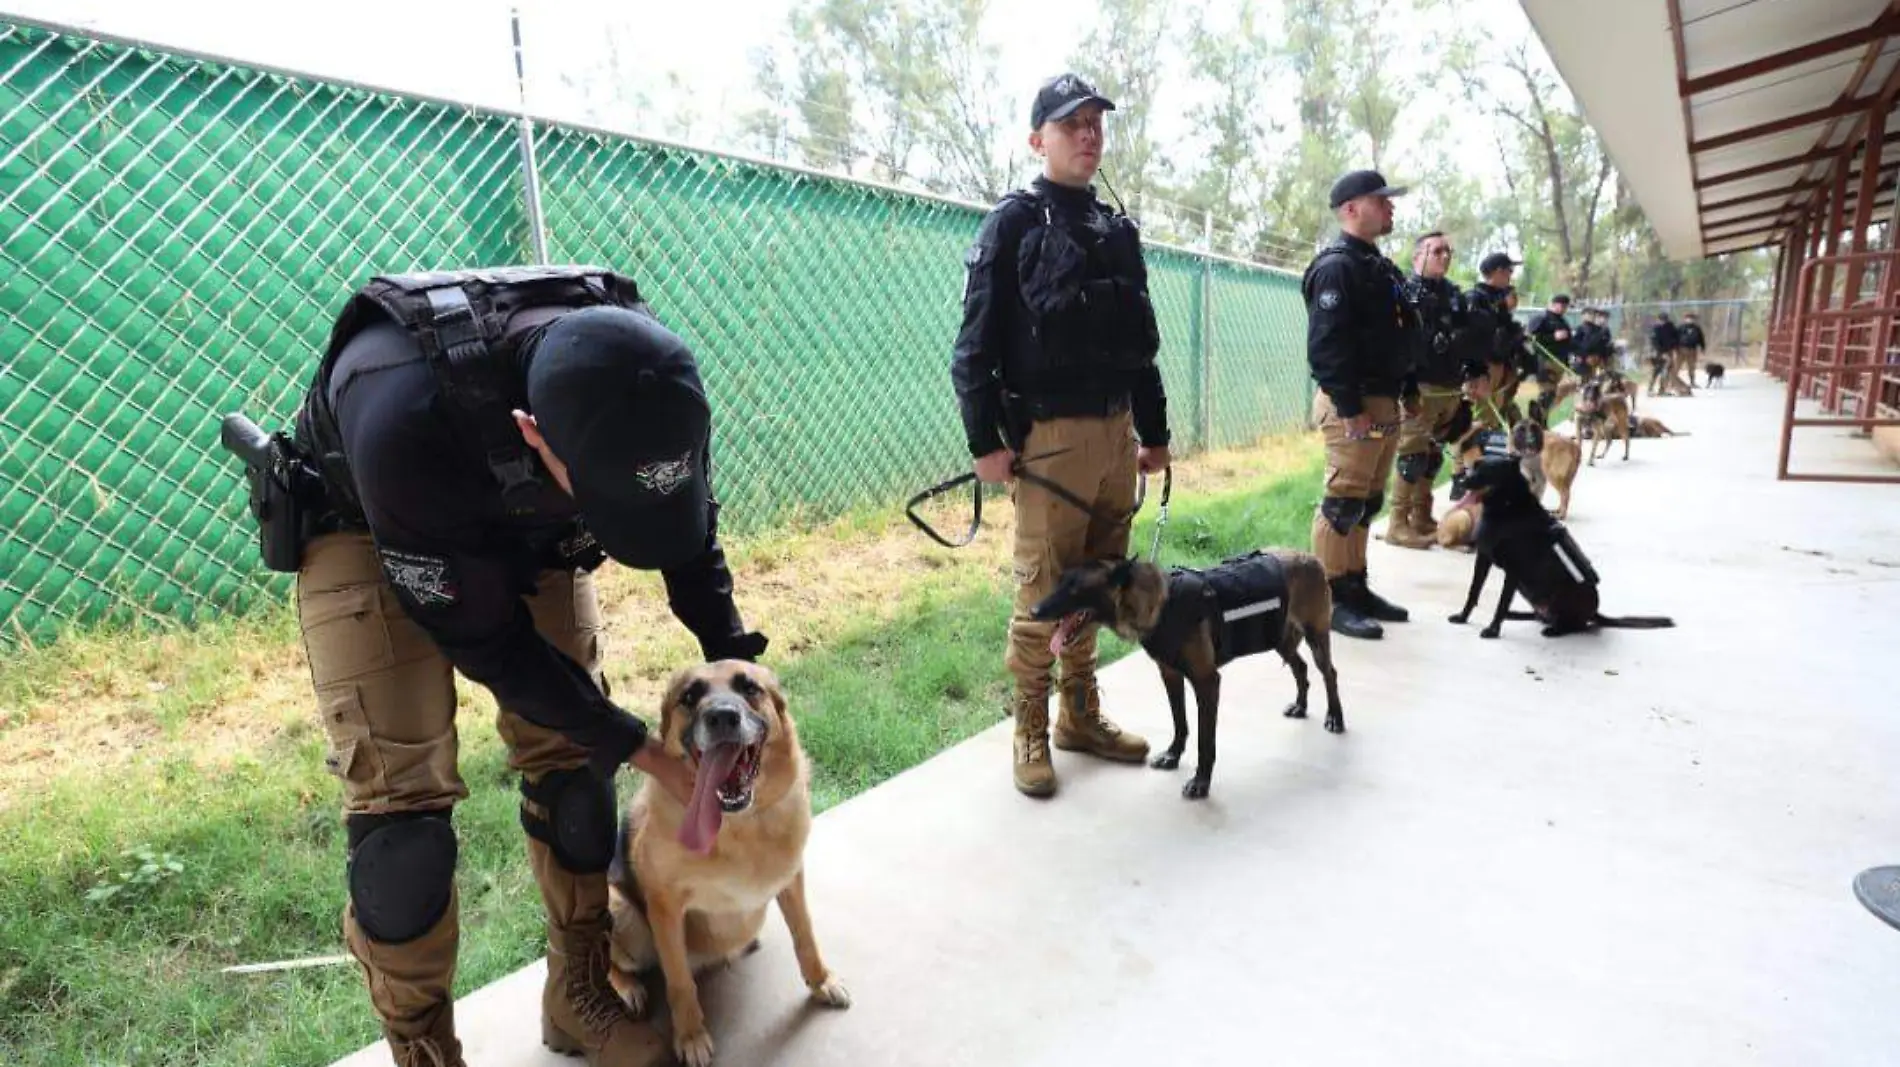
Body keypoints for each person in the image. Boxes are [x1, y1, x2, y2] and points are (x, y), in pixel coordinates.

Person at [285, 266, 769, 1067]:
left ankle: (577, 990)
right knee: (404, 832)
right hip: (372, 524)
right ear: (534, 432)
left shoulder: (650, 377)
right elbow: (493, 644)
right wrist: (645, 747)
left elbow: (684, 529)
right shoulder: (398, 410)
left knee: (576, 771)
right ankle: (424, 1045)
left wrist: (736, 661)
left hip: (531, 513)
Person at [951, 73, 1172, 797]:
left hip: (1115, 434)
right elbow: (973, 345)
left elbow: (1141, 341)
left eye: (1095, 123)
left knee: (1099, 585)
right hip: (1048, 439)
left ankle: (1080, 716)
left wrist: (1155, 430)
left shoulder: (1115, 229)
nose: (1088, 134)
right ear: (1037, 138)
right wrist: (985, 440)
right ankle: (1030, 730)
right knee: (1043, 591)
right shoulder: (1012, 222)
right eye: (1071, 122)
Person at [1300, 169, 1418, 639]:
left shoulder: (1376, 265)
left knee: (1367, 501)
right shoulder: (1337, 266)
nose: (1391, 208)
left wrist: (1407, 389)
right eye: (1381, 200)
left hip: (1383, 399)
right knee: (1342, 502)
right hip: (1355, 402)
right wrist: (1349, 407)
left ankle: (1354, 586)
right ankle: (1327, 598)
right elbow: (1326, 346)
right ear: (1351, 208)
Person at [1386, 230, 1472, 549]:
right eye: (1437, 251)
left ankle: (1421, 516)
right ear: (1418, 255)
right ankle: (1397, 524)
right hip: (1420, 387)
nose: (1445, 257)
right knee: (1412, 454)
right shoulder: (1406, 292)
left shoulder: (1453, 293)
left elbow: (1467, 334)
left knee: (1433, 456)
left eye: (1448, 251)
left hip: (1449, 386)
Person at [1455, 252, 1521, 431]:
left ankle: (1483, 453)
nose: (1511, 275)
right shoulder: (1476, 297)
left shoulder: (1498, 298)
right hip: (1484, 365)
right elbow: (1473, 333)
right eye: (1509, 270)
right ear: (1498, 271)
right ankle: (1468, 456)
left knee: (1492, 416)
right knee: (1480, 415)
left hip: (1501, 363)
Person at [1525, 293, 1574, 418]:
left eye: (1566, 306)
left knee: (1554, 394)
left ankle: (1542, 418)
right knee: (1546, 394)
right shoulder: (1541, 318)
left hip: (1560, 362)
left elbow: (1567, 344)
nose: (1564, 309)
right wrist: (1553, 337)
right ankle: (1538, 420)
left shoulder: (1563, 321)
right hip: (1545, 361)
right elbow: (1531, 337)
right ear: (1553, 304)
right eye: (1561, 305)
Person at [1649, 312, 1680, 396]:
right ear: (1658, 320)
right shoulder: (1656, 328)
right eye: (1662, 320)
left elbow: (1676, 337)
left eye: (1665, 320)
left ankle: (1662, 389)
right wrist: (1661, 352)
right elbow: (1654, 342)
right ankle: (1650, 389)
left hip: (1669, 351)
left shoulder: (1670, 327)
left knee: (1667, 371)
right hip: (1659, 352)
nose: (1663, 322)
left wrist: (1674, 347)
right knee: (1657, 370)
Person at [1678, 312, 1709, 386]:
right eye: (1688, 318)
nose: (1690, 320)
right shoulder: (1681, 327)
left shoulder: (1697, 328)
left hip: (1692, 350)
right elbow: (1675, 338)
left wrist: (1702, 348)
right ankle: (1673, 382)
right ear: (1685, 319)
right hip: (1682, 349)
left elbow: (1701, 339)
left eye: (1692, 318)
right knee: (1677, 366)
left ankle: (1692, 382)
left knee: (1692, 366)